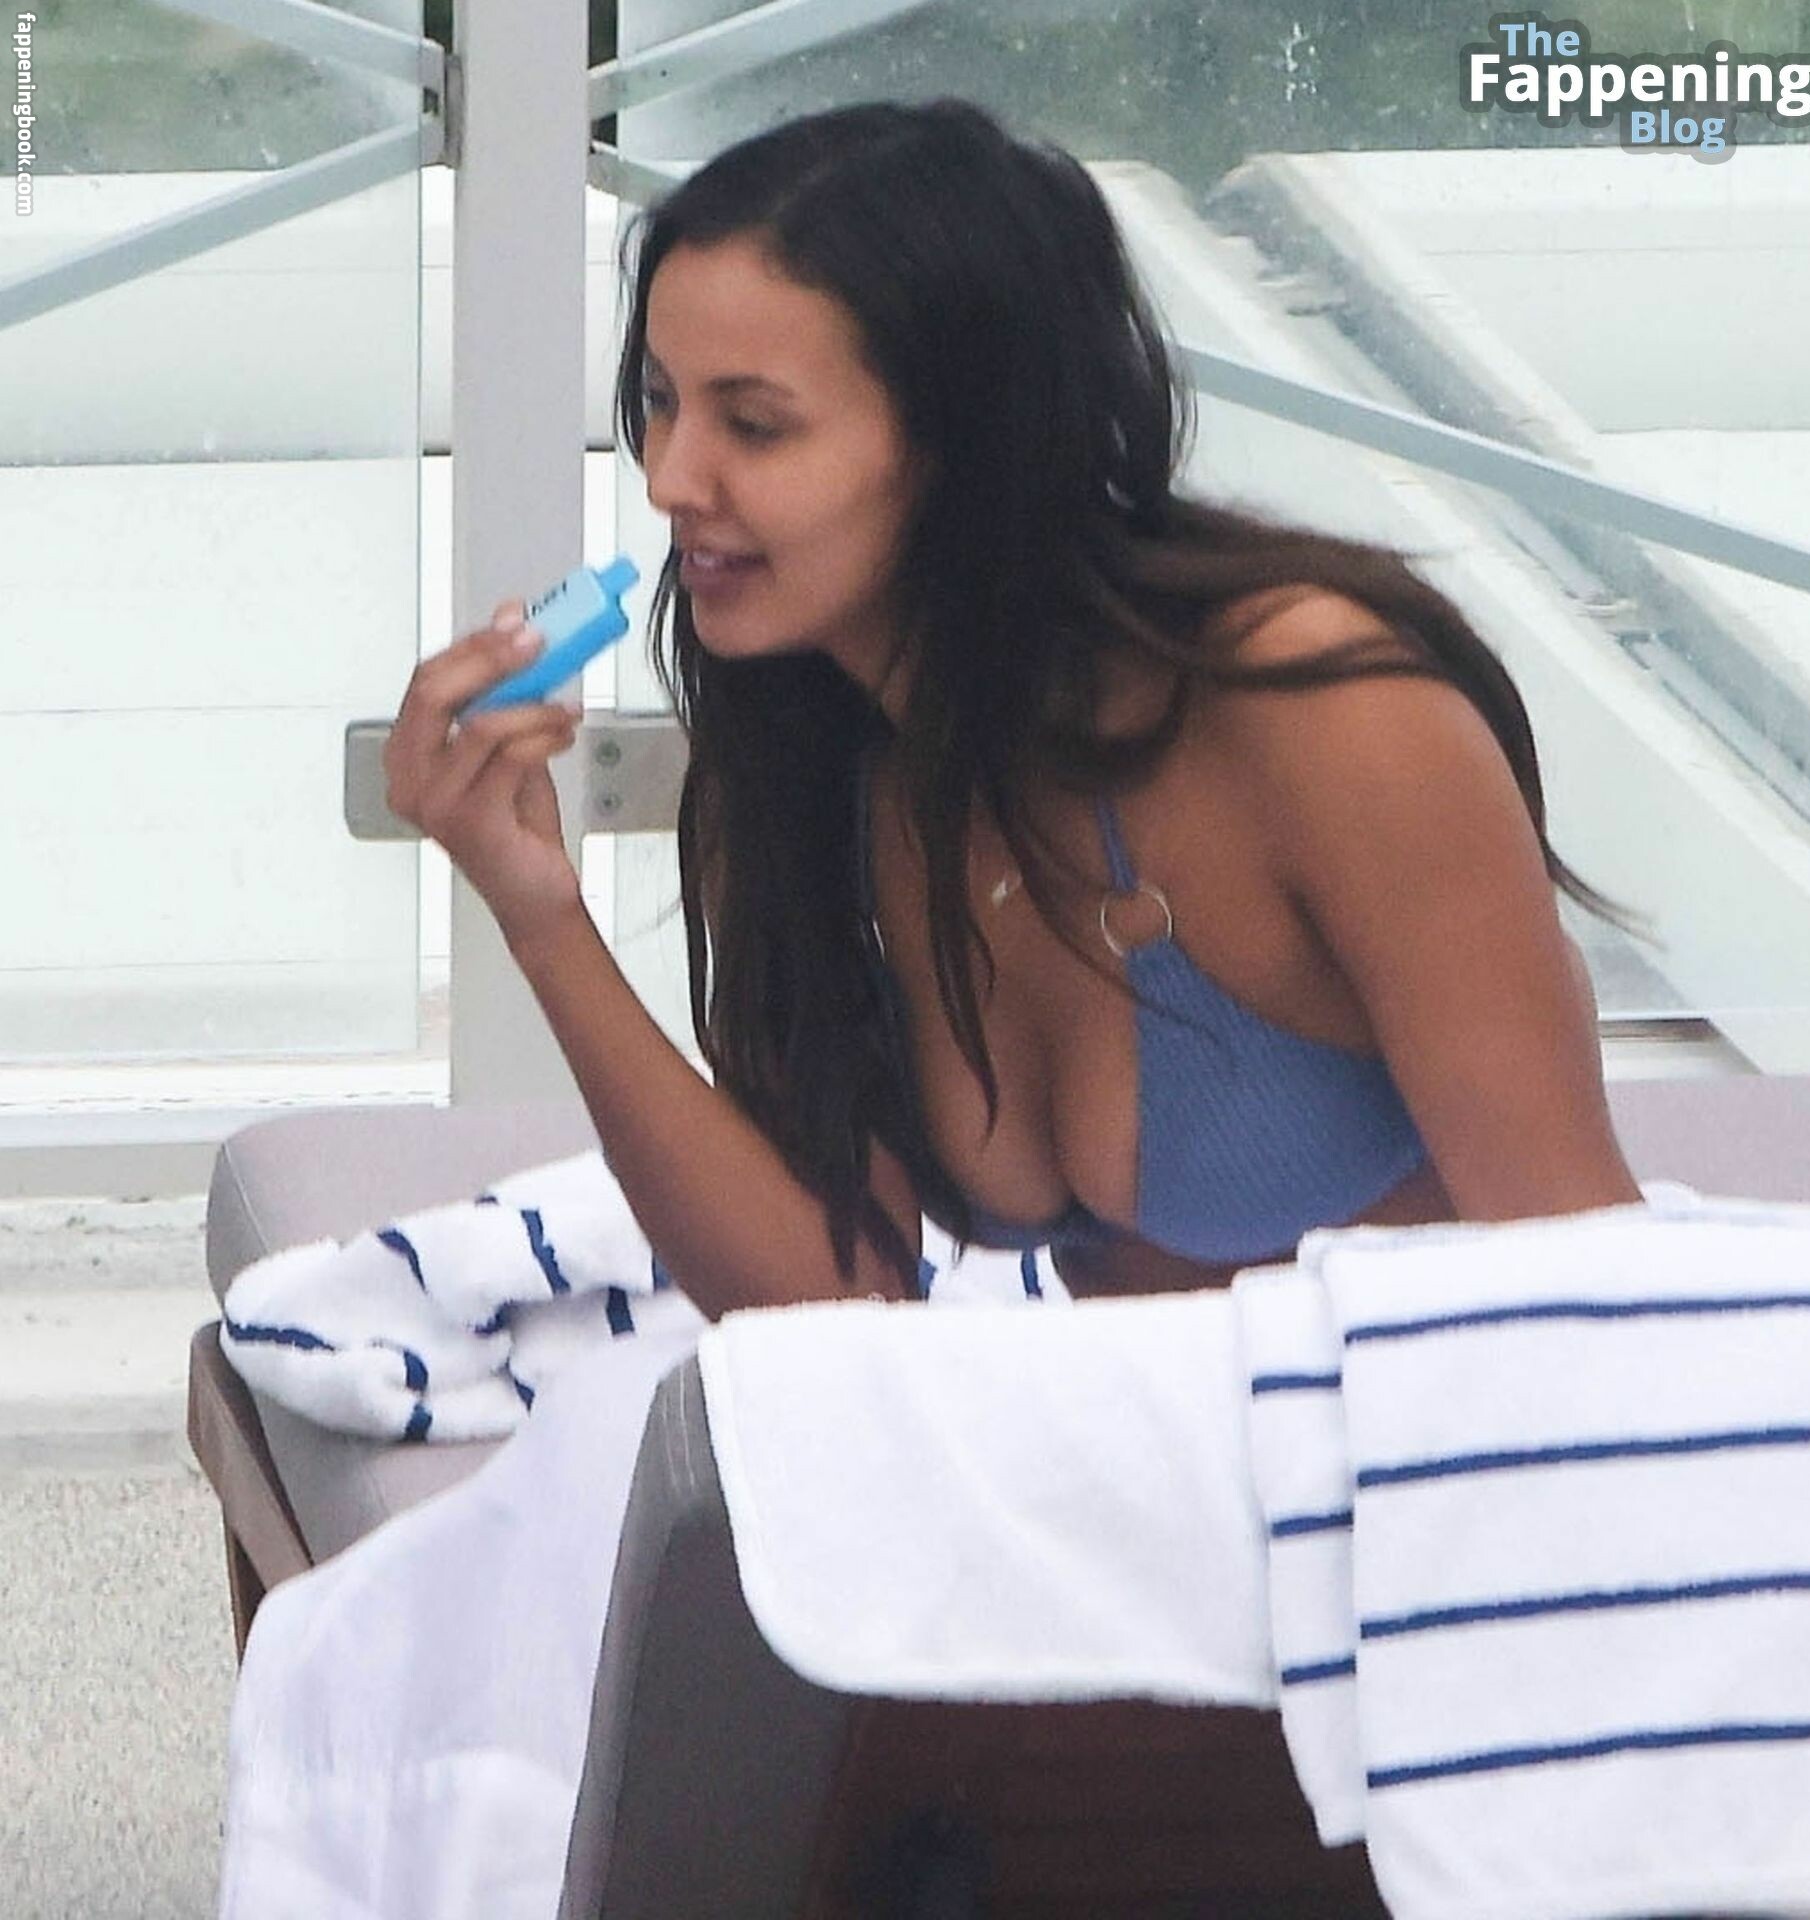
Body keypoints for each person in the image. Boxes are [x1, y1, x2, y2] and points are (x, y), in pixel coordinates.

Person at [384, 97, 1640, 1315]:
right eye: (660, 400)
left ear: (967, 442)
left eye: (753, 426)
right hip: (1139, 1443)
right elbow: (828, 1301)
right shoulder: (808, 742)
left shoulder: (1320, 712)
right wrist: (540, 917)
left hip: (1427, 1434)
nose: (669, 478)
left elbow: (1594, 1292)